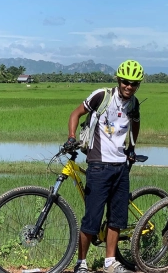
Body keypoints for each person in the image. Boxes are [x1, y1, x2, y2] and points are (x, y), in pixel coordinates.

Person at [64, 59, 144, 273]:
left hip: (121, 166)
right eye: (126, 81)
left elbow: (135, 122)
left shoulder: (134, 103)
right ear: (119, 80)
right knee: (92, 217)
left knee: (117, 217)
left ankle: (110, 262)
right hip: (98, 164)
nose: (129, 86)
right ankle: (81, 264)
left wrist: (132, 148)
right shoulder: (102, 96)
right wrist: (72, 137)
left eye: (134, 83)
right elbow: (76, 113)